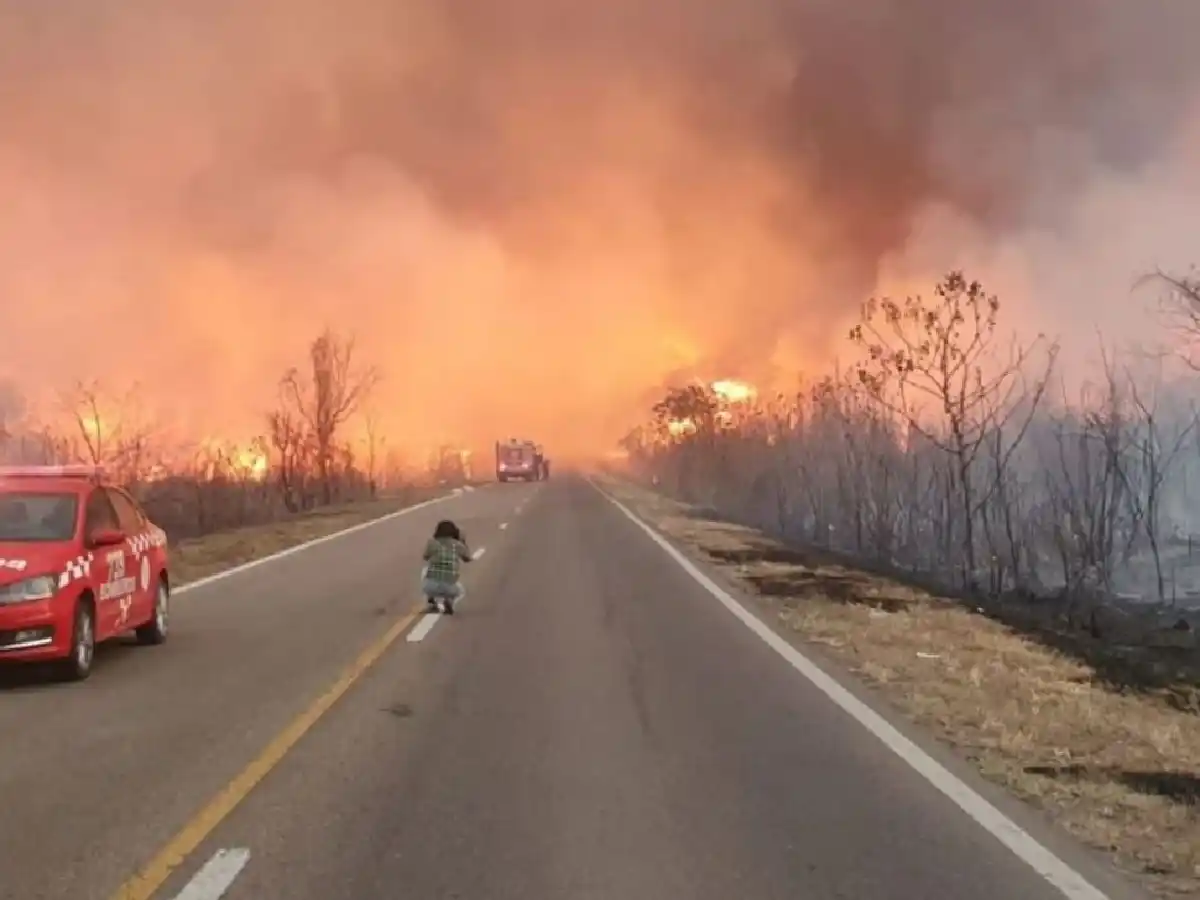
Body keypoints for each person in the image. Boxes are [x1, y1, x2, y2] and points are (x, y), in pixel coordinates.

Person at [422, 519, 472, 615]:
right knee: (461, 591)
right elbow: (467, 559)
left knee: (425, 570)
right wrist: (463, 542)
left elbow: (425, 557)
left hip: (430, 587)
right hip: (451, 588)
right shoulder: (458, 545)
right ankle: (449, 600)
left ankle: (432, 602)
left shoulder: (432, 542)